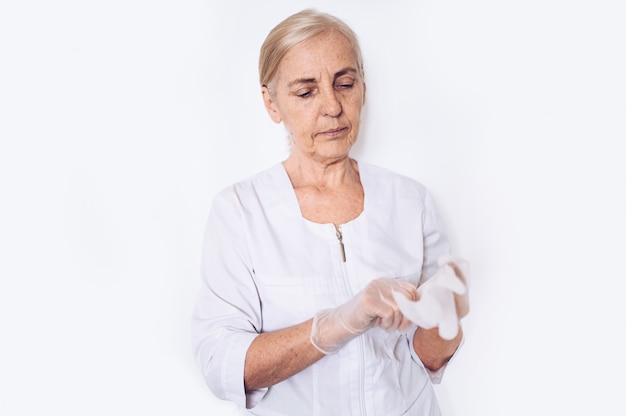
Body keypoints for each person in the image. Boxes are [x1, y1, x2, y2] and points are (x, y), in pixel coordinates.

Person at [192, 8, 469, 416]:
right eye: (306, 92)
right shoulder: (240, 212)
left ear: (363, 87)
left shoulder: (411, 202)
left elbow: (427, 360)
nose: (333, 107)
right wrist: (341, 320)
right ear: (272, 103)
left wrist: (444, 321)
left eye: (345, 84)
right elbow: (222, 365)